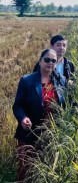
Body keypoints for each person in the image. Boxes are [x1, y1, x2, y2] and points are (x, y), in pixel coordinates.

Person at [13, 49, 67, 182]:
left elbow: (65, 104)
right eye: (47, 59)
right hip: (29, 132)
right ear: (40, 61)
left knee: (44, 168)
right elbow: (18, 106)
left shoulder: (61, 81)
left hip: (51, 133)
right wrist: (23, 118)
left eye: (53, 60)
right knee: (25, 167)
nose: (50, 63)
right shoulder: (27, 80)